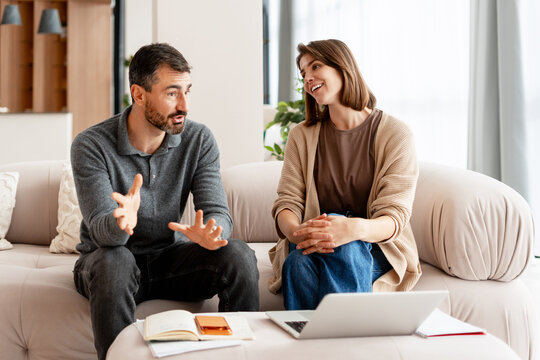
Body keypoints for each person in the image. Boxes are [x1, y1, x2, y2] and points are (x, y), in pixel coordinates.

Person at [71, 43, 259, 359]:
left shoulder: (198, 139)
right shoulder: (91, 145)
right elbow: (103, 232)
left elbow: (217, 212)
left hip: (168, 259)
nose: (183, 104)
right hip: (108, 260)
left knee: (238, 254)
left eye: (187, 91)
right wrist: (121, 222)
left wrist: (214, 233)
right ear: (139, 94)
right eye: (172, 93)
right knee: (114, 260)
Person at [268, 39, 421, 310]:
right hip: (312, 244)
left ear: (343, 68)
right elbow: (287, 202)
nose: (308, 78)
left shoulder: (396, 134)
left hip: (374, 247)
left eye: (316, 66)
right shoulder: (301, 136)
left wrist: (350, 229)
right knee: (298, 260)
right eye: (303, 73)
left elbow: (395, 216)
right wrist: (298, 233)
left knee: (337, 250)